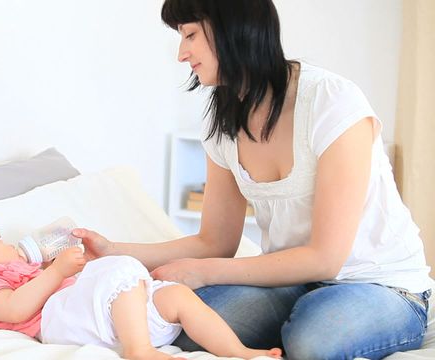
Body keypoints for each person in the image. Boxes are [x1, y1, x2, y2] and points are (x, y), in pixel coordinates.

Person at [71, 1, 433, 359]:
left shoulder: (331, 101)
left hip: (383, 286)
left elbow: (326, 259)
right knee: (186, 325)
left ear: (232, 28)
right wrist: (114, 251)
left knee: (313, 341)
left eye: (191, 35)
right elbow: (214, 241)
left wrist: (203, 272)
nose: (182, 54)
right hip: (291, 281)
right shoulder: (224, 123)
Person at [0, 217, 282, 360]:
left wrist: (62, 265)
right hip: (58, 321)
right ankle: (139, 350)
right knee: (119, 267)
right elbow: (16, 310)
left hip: (104, 317)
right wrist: (56, 273)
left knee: (174, 294)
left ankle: (239, 352)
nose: (8, 241)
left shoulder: (27, 266)